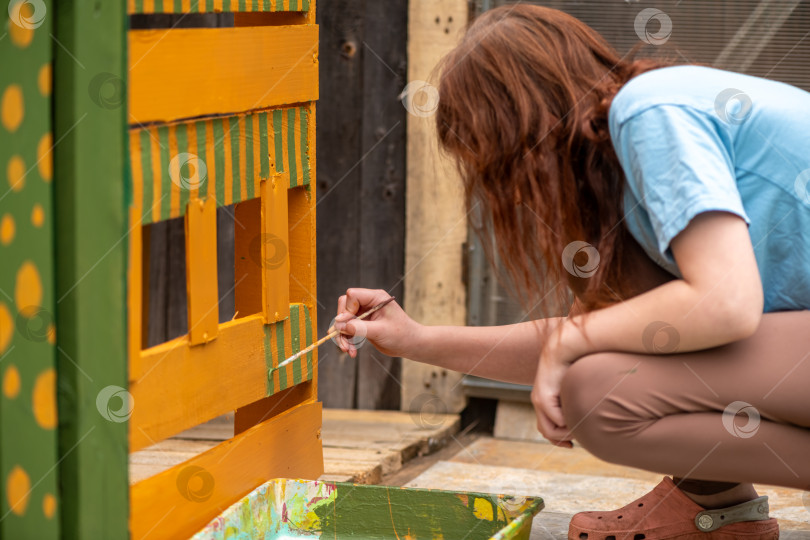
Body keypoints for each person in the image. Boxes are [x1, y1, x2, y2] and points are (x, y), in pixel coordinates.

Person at [332, 5, 810, 539]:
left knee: (599, 392)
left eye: (497, 159)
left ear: (526, 122)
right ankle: (717, 507)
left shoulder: (647, 111)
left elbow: (725, 302)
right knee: (607, 360)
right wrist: (414, 339)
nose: (506, 190)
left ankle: (713, 503)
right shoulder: (626, 163)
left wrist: (568, 346)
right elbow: (605, 337)